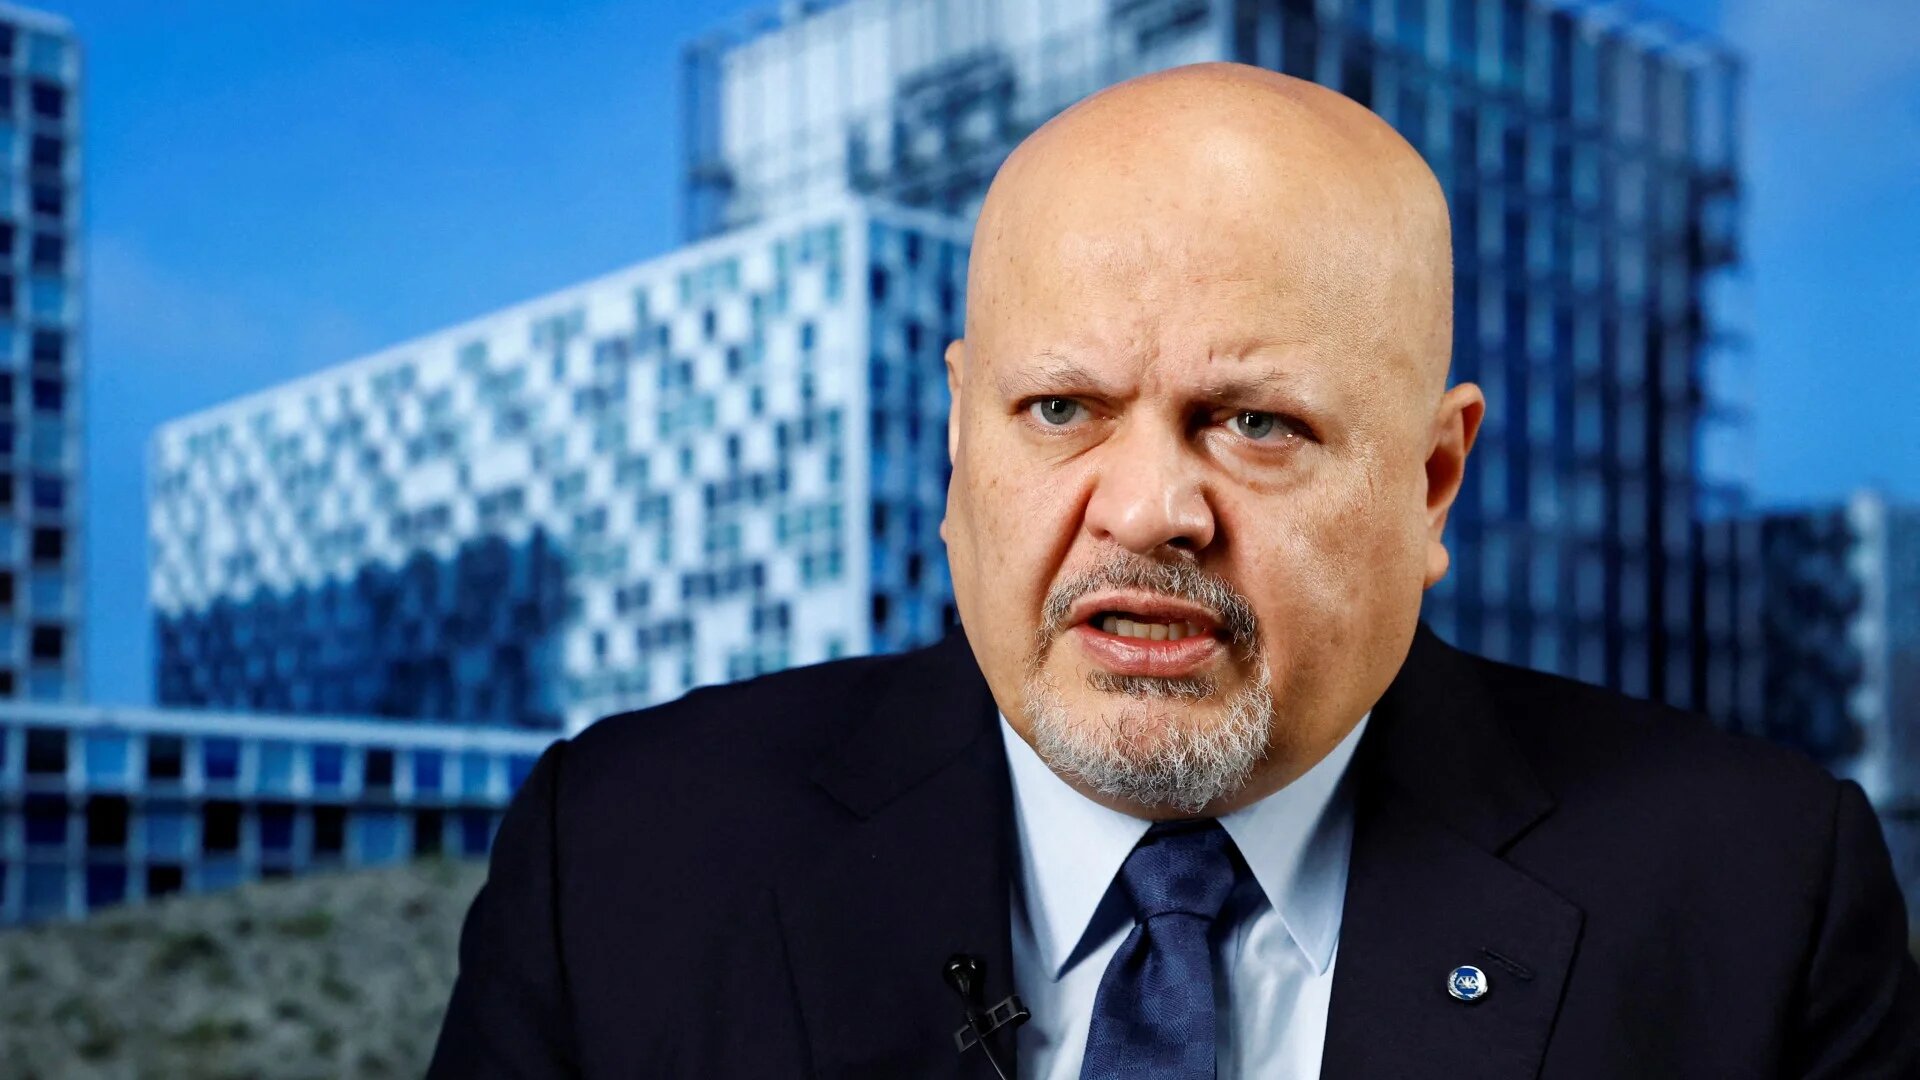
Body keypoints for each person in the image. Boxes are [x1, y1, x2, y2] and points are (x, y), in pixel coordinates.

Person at [427, 63, 1918, 1078]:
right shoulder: (619, 861)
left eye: (1256, 424)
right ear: (958, 444)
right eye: (1060, 409)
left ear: (1431, 479)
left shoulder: (1758, 899)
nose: (1147, 510)